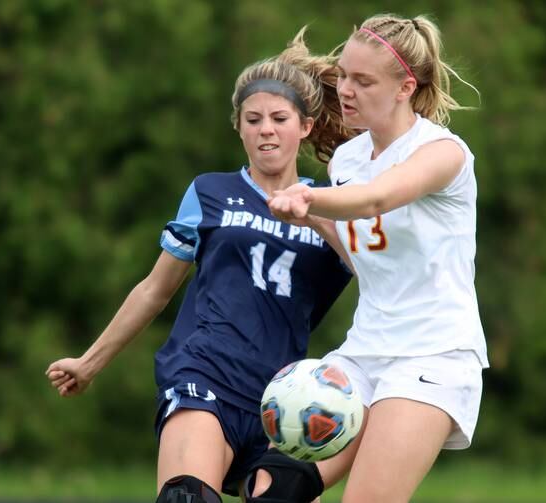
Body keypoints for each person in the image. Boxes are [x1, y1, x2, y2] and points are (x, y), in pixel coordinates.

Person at [45, 30, 356, 503]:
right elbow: (155, 288)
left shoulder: (335, 202)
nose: (265, 129)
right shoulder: (211, 192)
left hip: (285, 399)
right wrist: (89, 363)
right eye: (253, 119)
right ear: (238, 126)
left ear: (305, 127)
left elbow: (376, 274)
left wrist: (312, 208)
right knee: (187, 497)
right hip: (205, 373)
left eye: (278, 118)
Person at [267, 13, 489, 503]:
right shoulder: (349, 159)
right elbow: (363, 255)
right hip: (364, 353)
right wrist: (318, 221)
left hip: (433, 355)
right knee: (272, 490)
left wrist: (310, 199)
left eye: (362, 80)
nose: (345, 89)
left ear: (404, 87)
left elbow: (375, 199)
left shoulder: (443, 153)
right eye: (344, 74)